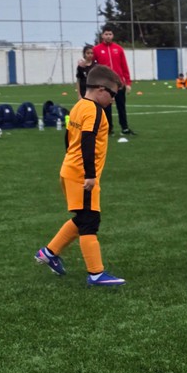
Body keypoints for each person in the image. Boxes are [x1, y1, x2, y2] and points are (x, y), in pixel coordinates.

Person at [34, 65, 127, 286]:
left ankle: (49, 252)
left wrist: (71, 161)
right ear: (101, 89)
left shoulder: (78, 106)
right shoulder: (94, 111)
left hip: (70, 170)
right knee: (90, 222)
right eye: (112, 94)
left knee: (82, 218)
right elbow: (87, 141)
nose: (113, 99)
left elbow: (68, 137)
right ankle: (96, 273)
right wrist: (90, 175)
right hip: (82, 175)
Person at [92, 24, 135, 135]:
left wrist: (128, 82)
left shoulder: (118, 49)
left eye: (110, 34)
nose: (108, 36)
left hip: (118, 83)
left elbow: (124, 66)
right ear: (102, 35)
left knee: (121, 106)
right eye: (106, 34)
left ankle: (125, 128)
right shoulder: (96, 50)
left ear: (113, 35)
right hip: (105, 84)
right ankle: (108, 129)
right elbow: (92, 66)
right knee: (106, 107)